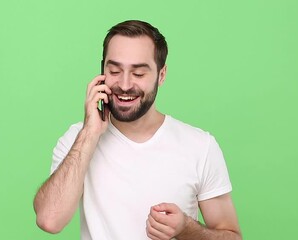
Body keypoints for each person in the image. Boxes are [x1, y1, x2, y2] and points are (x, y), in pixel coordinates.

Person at [33, 20, 242, 240]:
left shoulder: (200, 146)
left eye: (139, 74)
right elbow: (49, 219)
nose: (124, 85)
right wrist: (90, 133)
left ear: (161, 75)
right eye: (114, 70)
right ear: (102, 70)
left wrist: (186, 229)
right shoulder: (78, 139)